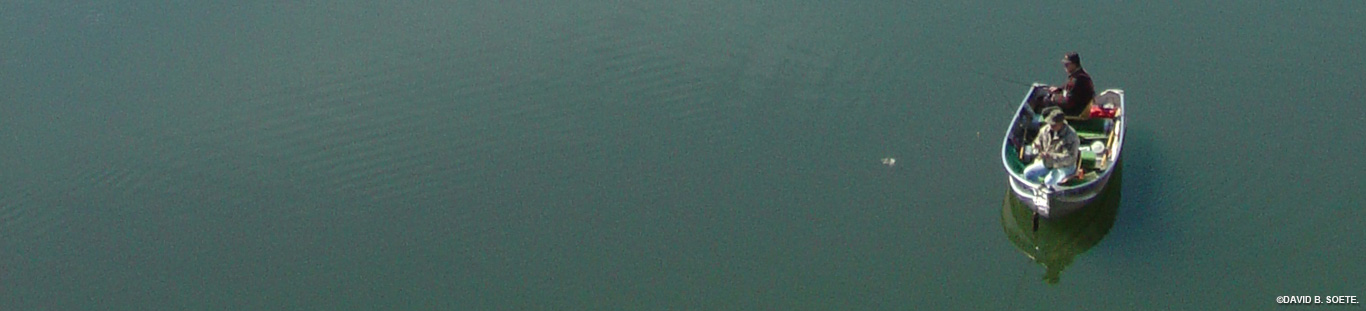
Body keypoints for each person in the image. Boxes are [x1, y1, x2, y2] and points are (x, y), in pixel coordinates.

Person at [1023, 107, 1080, 189]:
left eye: (1053, 124)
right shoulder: (1045, 130)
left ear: (1061, 123)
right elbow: (1037, 142)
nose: (1050, 126)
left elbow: (1070, 159)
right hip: (1048, 163)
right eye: (1049, 123)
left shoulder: (1071, 137)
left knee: (1049, 182)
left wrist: (1051, 156)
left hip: (1064, 167)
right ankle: (1039, 188)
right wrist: (1036, 147)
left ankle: (1049, 190)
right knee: (1028, 173)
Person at [1045, 52, 1095, 116]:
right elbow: (1069, 89)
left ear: (1074, 64)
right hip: (1075, 107)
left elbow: (1068, 102)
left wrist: (1054, 98)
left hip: (1075, 111)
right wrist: (1059, 89)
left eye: (1067, 64)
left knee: (1046, 99)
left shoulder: (1078, 79)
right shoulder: (1078, 75)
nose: (1064, 66)